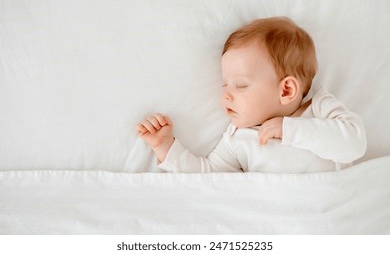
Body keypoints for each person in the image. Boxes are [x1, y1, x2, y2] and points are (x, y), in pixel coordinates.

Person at [136, 17, 367, 173]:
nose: (226, 95)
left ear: (286, 90)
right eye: (225, 84)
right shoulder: (238, 138)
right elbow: (206, 177)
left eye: (241, 85)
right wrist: (165, 147)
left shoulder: (320, 109)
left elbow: (354, 144)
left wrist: (289, 129)